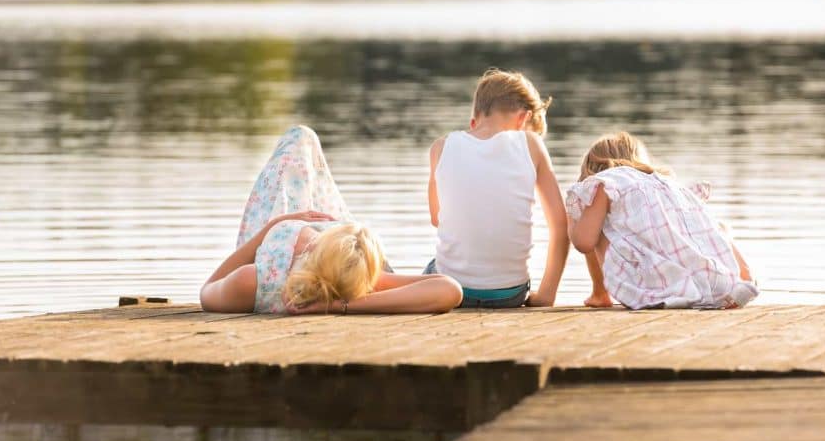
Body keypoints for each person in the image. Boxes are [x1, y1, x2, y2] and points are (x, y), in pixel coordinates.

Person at [201, 126, 462, 315]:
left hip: (276, 233)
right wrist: (341, 305)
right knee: (305, 145)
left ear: (315, 247)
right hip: (342, 248)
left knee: (300, 137)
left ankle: (302, 158)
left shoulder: (256, 281)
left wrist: (270, 228)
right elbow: (450, 290)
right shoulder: (365, 282)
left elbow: (208, 290)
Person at [426, 68, 569, 308]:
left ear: (474, 122)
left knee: (430, 269)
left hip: (453, 289)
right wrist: (546, 296)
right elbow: (560, 225)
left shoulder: (441, 147)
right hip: (509, 295)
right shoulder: (531, 143)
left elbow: (436, 218)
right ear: (523, 119)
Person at [566, 132, 757, 310]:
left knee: (592, 220)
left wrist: (574, 217)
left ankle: (600, 294)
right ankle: (744, 279)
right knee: (715, 226)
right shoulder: (670, 185)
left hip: (650, 288)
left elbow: (584, 242)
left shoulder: (605, 183)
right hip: (711, 283)